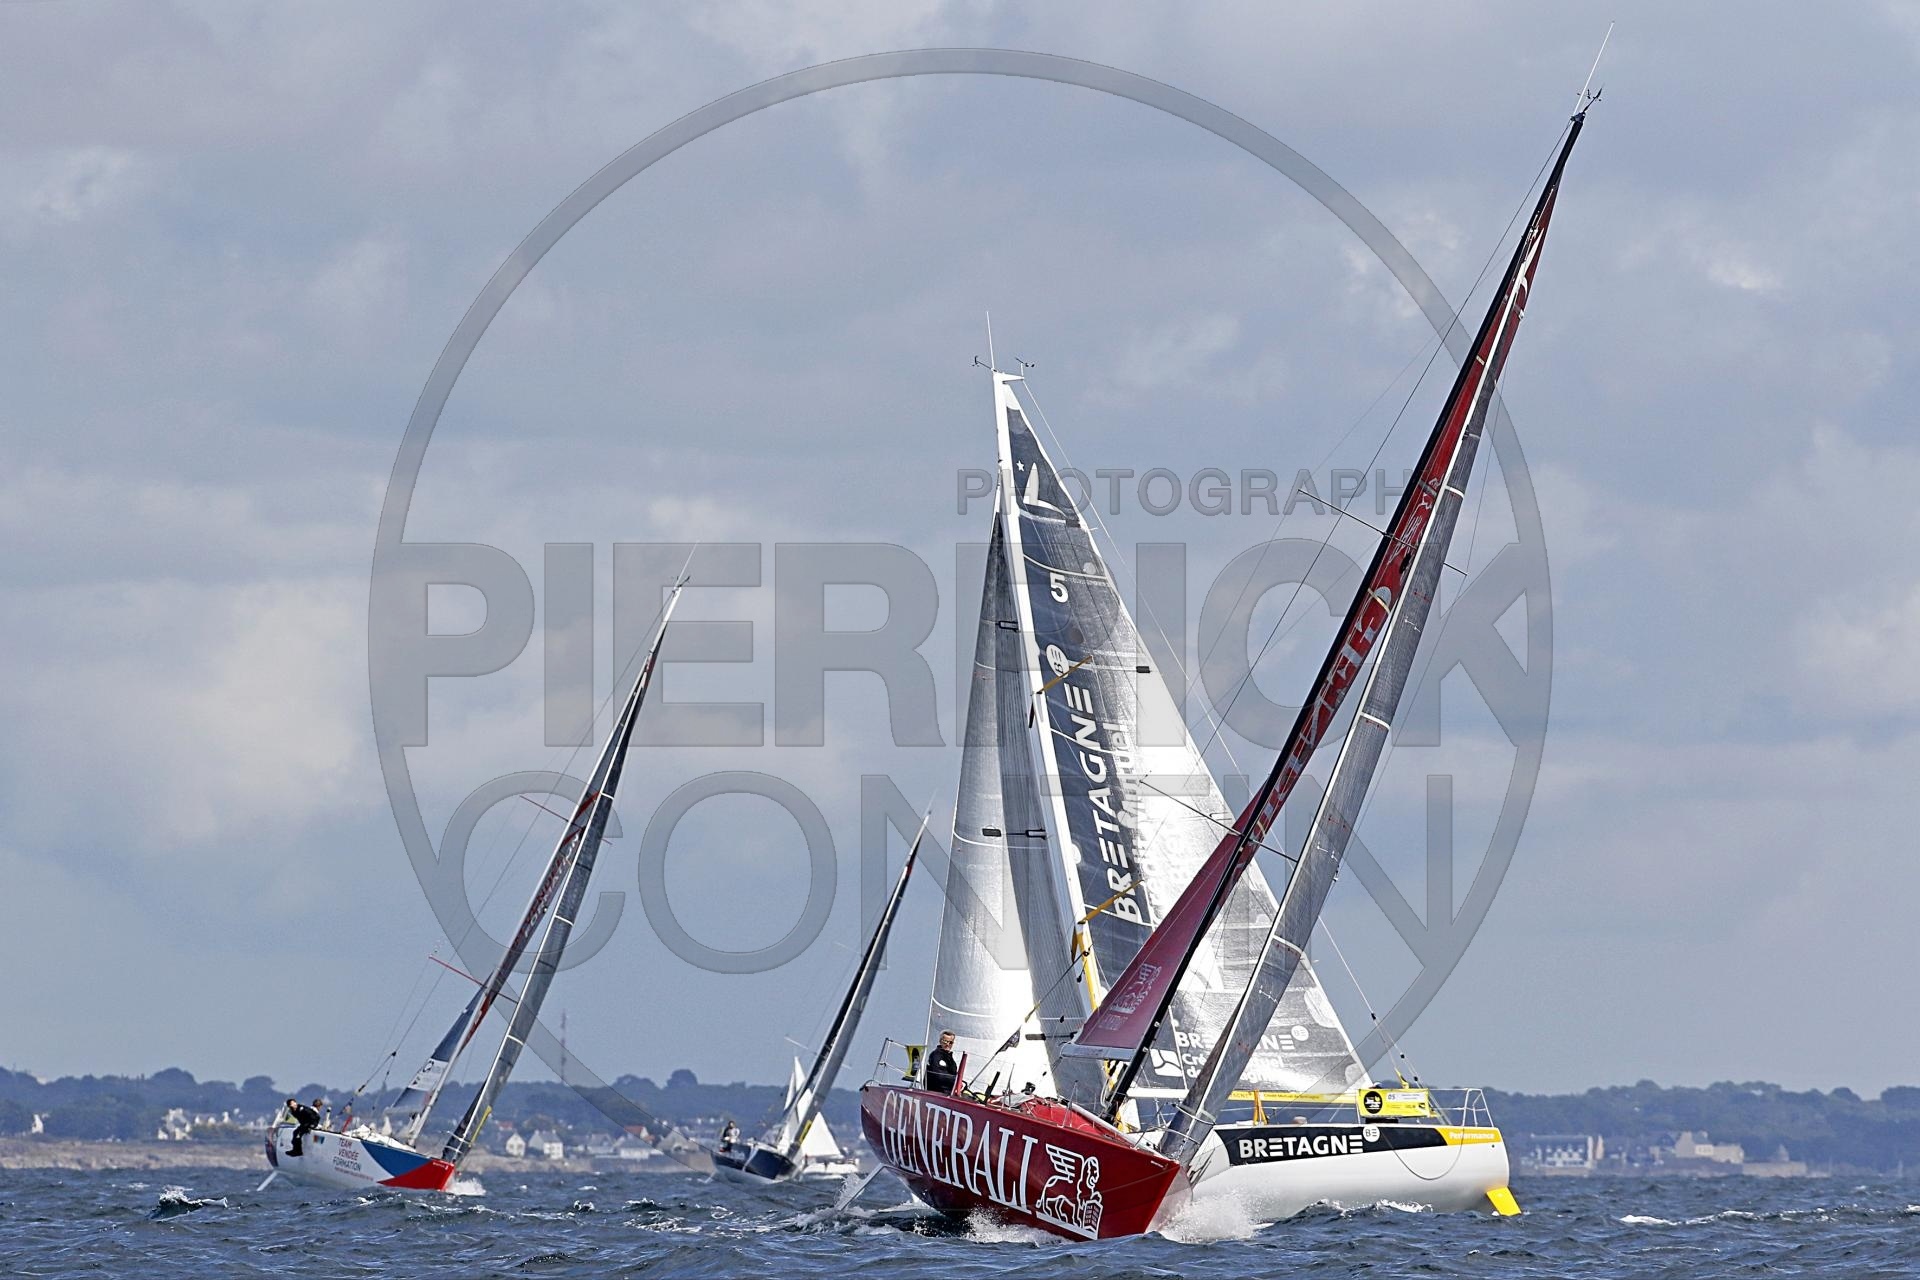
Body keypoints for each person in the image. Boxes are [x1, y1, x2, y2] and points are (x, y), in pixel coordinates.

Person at [924, 1030, 959, 1096]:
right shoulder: (936, 1056)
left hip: (948, 1094)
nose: (948, 1044)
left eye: (950, 1042)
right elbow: (939, 1076)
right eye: (945, 1041)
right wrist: (956, 1080)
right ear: (940, 1041)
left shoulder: (950, 1058)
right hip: (936, 1093)